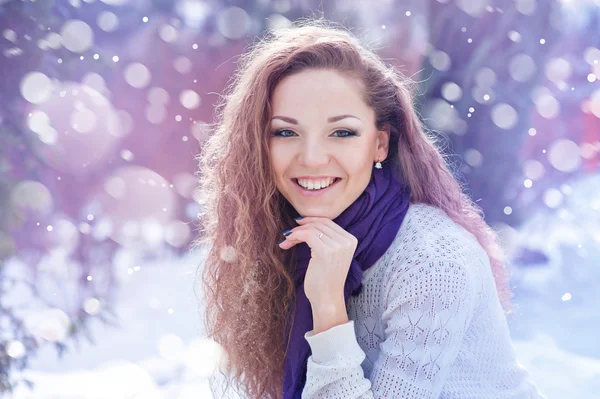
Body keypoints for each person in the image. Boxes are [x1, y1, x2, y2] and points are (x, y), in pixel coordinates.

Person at [195, 17, 546, 399]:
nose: (311, 158)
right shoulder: (287, 236)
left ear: (380, 144)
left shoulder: (434, 263)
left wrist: (329, 304)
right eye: (285, 132)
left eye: (341, 132)